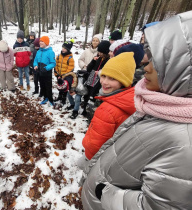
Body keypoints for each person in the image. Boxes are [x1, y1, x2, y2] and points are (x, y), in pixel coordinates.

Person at [80, 11, 192, 210]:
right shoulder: (151, 105)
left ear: (183, 70)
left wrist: (102, 191)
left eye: (156, 62)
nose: (146, 68)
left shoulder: (183, 141)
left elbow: (156, 204)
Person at [78, 52, 136, 168]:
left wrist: (88, 157)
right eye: (103, 76)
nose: (104, 82)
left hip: (95, 158)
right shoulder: (130, 98)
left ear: (124, 81)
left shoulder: (107, 110)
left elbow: (96, 143)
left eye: (112, 78)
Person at [82, 40, 110, 116]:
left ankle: (92, 113)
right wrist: (93, 61)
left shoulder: (108, 61)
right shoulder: (98, 58)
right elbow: (88, 69)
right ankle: (84, 109)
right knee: (86, 94)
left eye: (101, 52)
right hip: (91, 78)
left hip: (98, 82)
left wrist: (101, 72)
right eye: (99, 52)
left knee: (93, 96)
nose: (99, 53)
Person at [33, 36, 56, 106]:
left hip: (47, 73)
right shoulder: (39, 51)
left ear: (46, 43)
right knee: (42, 86)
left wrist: (46, 68)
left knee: (48, 87)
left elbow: (53, 63)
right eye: (40, 41)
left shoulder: (50, 52)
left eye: (42, 41)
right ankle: (45, 98)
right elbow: (35, 60)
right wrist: (35, 65)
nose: (40, 42)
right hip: (40, 72)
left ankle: (51, 100)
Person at [54, 39, 75, 105]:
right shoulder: (58, 56)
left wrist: (63, 76)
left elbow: (70, 68)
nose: (63, 49)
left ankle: (64, 98)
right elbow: (56, 65)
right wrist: (57, 74)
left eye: (65, 48)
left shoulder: (70, 58)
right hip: (59, 75)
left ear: (68, 49)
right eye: (62, 48)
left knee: (64, 87)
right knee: (60, 86)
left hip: (65, 76)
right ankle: (60, 96)